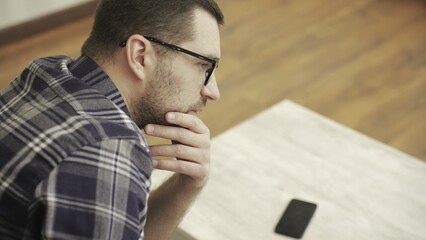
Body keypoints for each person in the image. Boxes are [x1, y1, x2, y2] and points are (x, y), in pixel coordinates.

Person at [0, 0, 224, 239]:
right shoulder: (107, 149)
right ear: (140, 56)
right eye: (203, 66)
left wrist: (187, 186)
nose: (213, 92)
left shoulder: (47, 71)